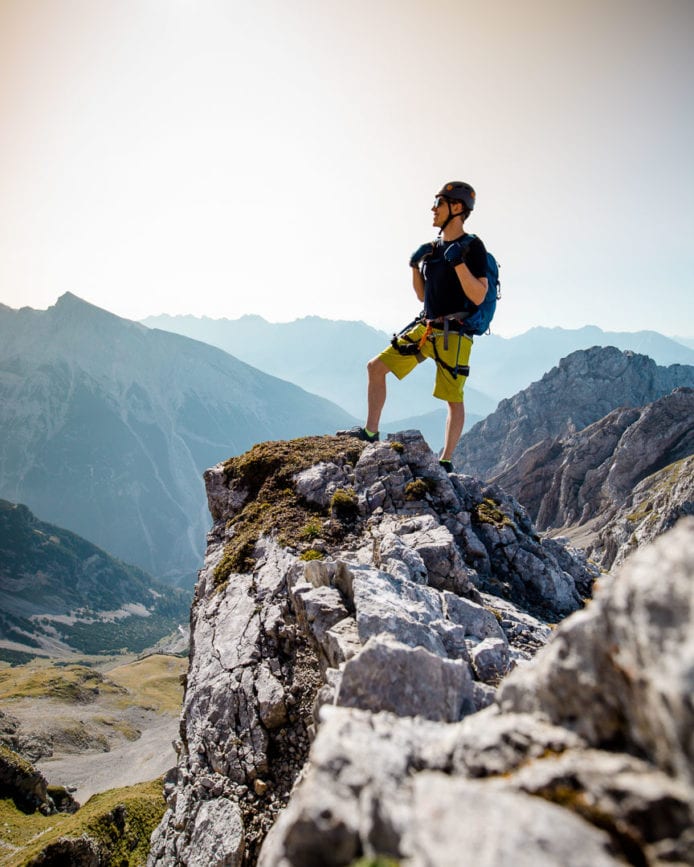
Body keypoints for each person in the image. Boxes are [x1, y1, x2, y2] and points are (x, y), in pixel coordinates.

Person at [338, 181, 488, 473]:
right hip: (427, 328)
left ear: (456, 207)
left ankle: (445, 461)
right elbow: (423, 296)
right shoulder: (433, 249)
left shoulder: (473, 247)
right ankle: (370, 433)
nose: (432, 208)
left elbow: (479, 295)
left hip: (454, 334)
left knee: (453, 398)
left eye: (438, 202)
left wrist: (457, 263)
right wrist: (414, 266)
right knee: (375, 367)